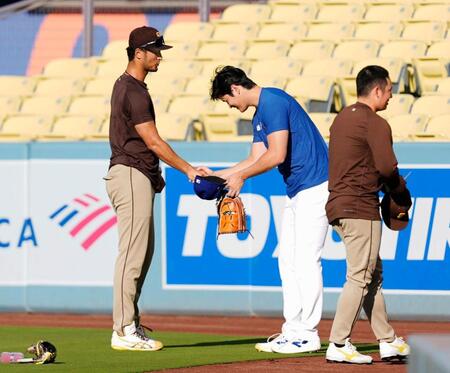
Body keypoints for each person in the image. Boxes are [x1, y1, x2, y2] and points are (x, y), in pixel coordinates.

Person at [201, 66, 329, 354]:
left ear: (235, 89)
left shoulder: (272, 101)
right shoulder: (260, 112)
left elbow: (277, 155)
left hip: (317, 186)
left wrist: (242, 177)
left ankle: (307, 333)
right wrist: (217, 176)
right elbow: (254, 158)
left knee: (307, 260)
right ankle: (293, 329)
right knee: (287, 260)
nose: (230, 106)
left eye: (226, 100)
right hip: (298, 190)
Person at [104, 26, 205, 351]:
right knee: (132, 254)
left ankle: (129, 322)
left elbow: (146, 144)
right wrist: (188, 170)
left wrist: (154, 172)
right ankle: (122, 330)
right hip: (129, 174)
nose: (159, 55)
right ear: (138, 53)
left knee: (142, 254)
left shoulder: (133, 87)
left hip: (137, 173)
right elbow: (153, 142)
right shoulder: (132, 90)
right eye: (154, 50)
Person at [325, 65, 411, 364]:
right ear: (377, 90)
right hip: (360, 207)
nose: (390, 97)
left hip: (338, 204)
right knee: (360, 276)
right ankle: (338, 342)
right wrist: (401, 194)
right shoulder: (374, 121)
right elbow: (387, 168)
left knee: (371, 276)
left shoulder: (341, 119)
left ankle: (387, 341)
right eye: (389, 91)